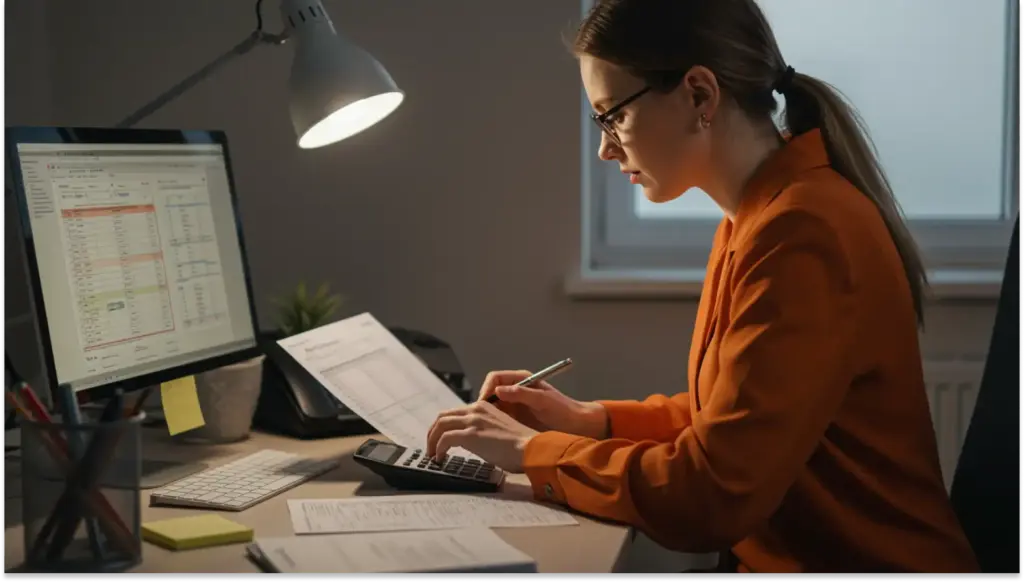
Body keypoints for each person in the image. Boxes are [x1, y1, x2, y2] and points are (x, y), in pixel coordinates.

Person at [426, 0, 979, 573]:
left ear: (699, 94)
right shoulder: (758, 217)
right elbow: (729, 422)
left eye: (612, 115)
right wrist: (588, 420)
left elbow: (711, 495)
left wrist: (530, 453)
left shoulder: (802, 232)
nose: (606, 147)